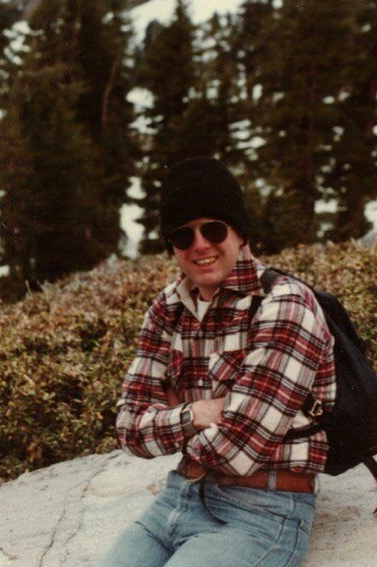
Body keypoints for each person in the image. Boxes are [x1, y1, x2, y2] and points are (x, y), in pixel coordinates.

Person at [98, 157, 336, 567]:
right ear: (171, 245)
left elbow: (239, 450)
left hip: (264, 511)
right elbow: (126, 429)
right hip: (177, 499)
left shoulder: (285, 304)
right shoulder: (166, 308)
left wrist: (169, 417)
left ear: (239, 232)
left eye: (213, 229)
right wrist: (198, 413)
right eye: (183, 235)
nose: (200, 245)